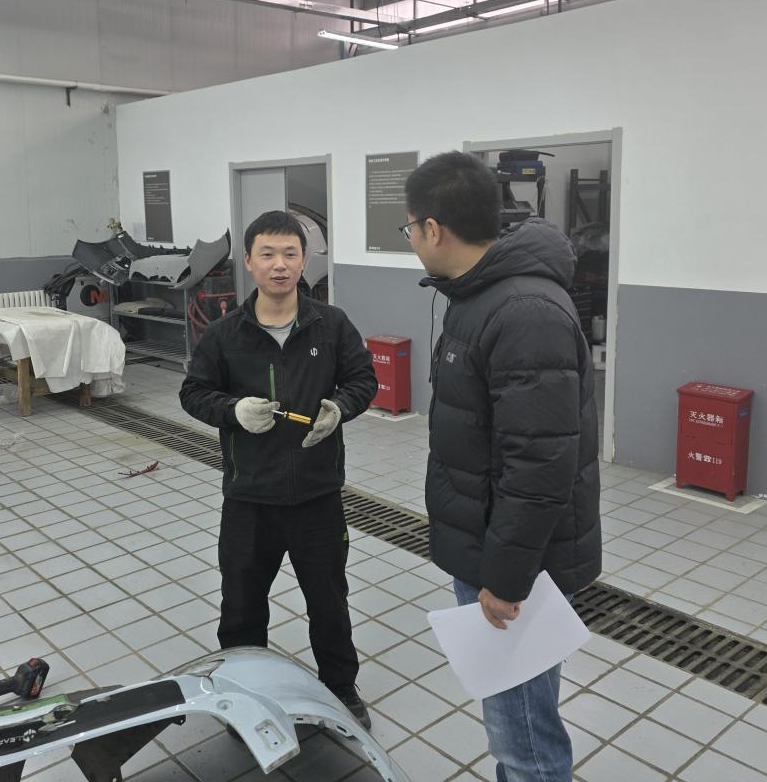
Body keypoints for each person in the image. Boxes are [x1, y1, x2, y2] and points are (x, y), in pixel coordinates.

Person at [403, 152, 602, 782]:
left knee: (524, 739)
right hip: (492, 546)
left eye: (410, 228)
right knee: (511, 721)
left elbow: (540, 462)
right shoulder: (480, 293)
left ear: (434, 228)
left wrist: (507, 579)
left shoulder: (522, 312)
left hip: (516, 565)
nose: (411, 240)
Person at [180, 210, 379, 727]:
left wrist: (340, 408)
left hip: (317, 496)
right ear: (249, 262)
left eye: (290, 254)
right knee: (242, 607)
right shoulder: (225, 334)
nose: (280, 265)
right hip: (249, 499)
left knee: (329, 603)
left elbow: (363, 379)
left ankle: (341, 688)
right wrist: (232, 411)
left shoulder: (331, 325)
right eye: (267, 254)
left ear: (304, 260)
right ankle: (245, 690)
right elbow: (193, 392)